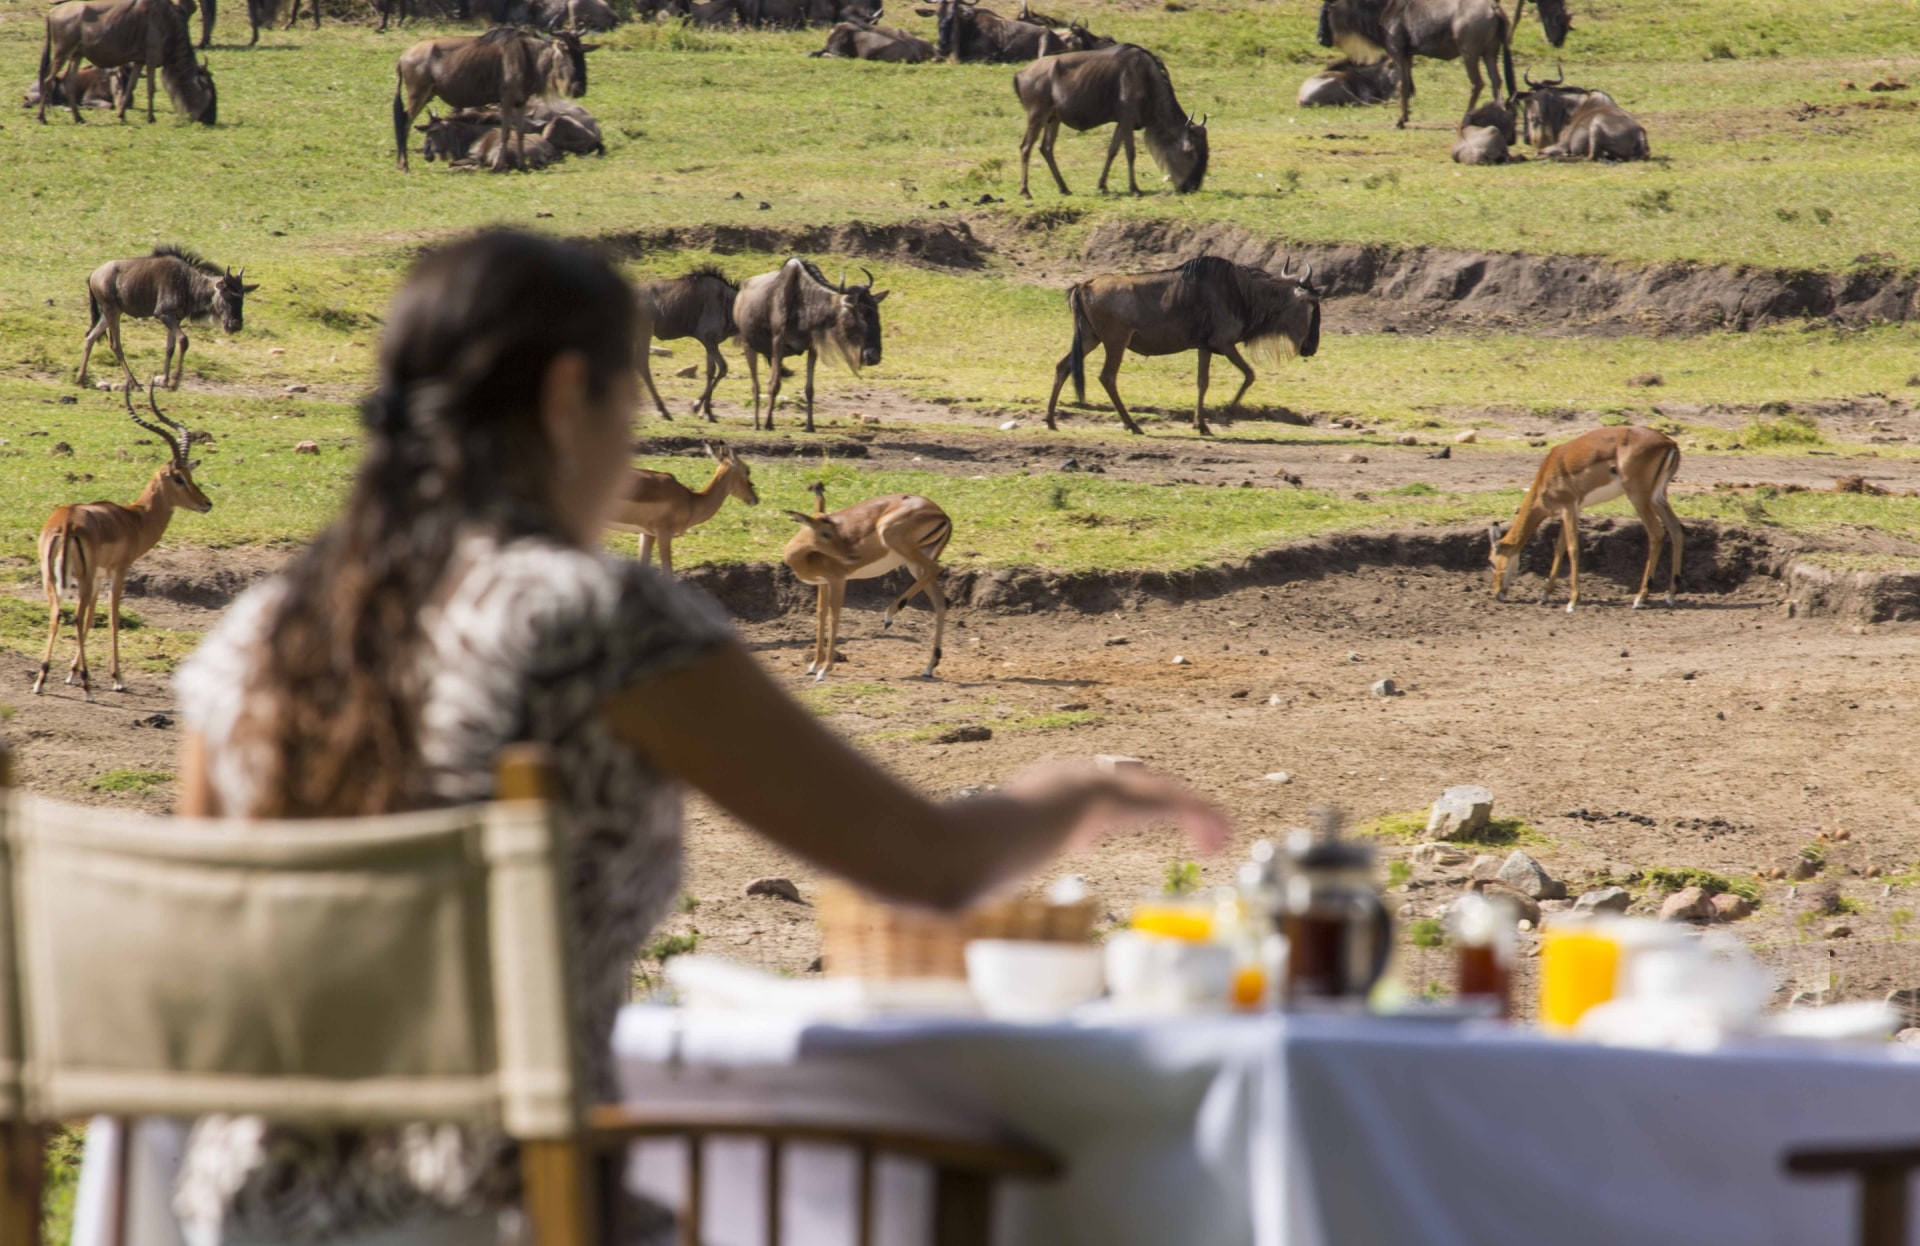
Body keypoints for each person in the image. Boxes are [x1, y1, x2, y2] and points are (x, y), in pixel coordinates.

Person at [167, 229, 1226, 1246]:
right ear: (564, 400)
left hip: (235, 1213)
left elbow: (209, 970)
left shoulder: (256, 633)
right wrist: (1080, 787)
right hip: (503, 1214)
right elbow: (924, 862)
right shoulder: (595, 620)